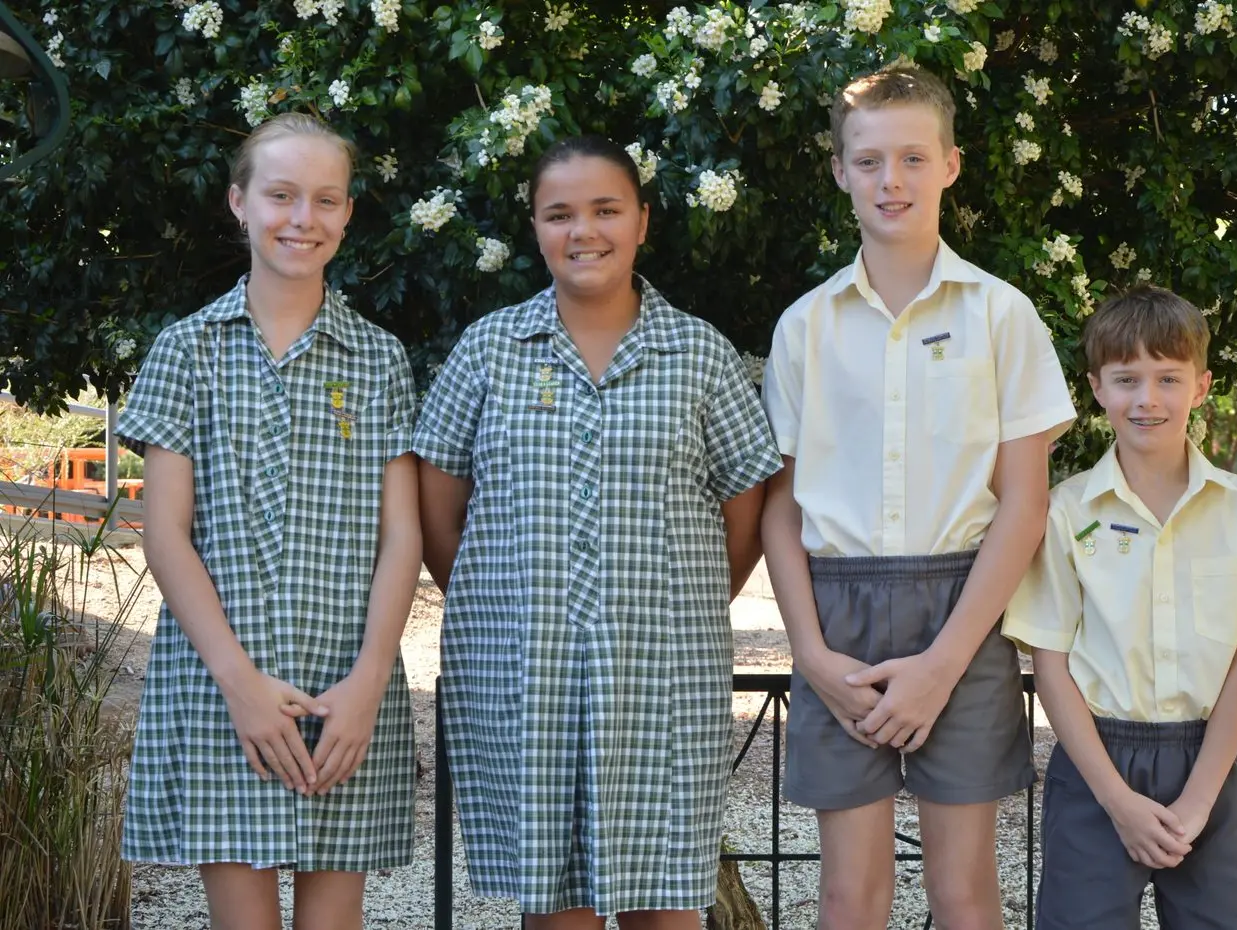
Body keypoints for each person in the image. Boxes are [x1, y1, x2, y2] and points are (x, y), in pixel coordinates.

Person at [414, 135, 781, 929]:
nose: (584, 230)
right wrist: (500, 601)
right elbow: (436, 505)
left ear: (641, 221)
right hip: (524, 672)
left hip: (661, 675)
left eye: (605, 209)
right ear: (537, 229)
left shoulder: (698, 354)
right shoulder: (488, 351)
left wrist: (685, 603)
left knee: (663, 906)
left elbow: (744, 502)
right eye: (560, 214)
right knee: (556, 908)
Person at [760, 64, 1077, 930]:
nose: (888, 180)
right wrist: (813, 656)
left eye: (910, 157)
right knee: (848, 895)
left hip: (963, 614)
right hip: (838, 620)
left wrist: (941, 666)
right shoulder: (807, 324)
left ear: (950, 165)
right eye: (867, 161)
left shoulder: (1000, 315)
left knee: (966, 893)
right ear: (838, 171)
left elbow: (1023, 504)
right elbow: (781, 508)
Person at [118, 112, 420, 930]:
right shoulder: (187, 350)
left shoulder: (381, 359)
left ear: (348, 214)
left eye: (326, 200)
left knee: (333, 919)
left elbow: (403, 536)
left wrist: (365, 684)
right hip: (224, 683)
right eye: (281, 195)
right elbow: (165, 533)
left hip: (346, 686)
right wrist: (242, 686)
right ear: (239, 203)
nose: (302, 218)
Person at [1004, 286, 1237, 929]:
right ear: (1096, 388)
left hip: (1209, 764)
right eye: (1126, 379)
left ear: (1200, 386)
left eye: (1167, 378)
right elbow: (1050, 663)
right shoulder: (1065, 513)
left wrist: (1199, 802)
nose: (1147, 399)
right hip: (1096, 766)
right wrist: (1117, 801)